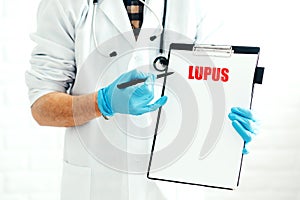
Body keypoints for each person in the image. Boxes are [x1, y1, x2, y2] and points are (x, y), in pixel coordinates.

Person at [25, 0, 258, 199]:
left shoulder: (196, 6)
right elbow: (42, 105)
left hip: (174, 188)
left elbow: (217, 84)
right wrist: (102, 102)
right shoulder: (65, 4)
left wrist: (227, 137)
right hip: (98, 186)